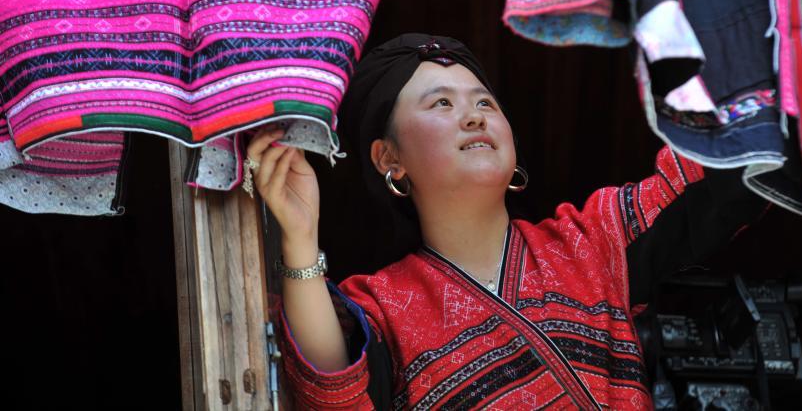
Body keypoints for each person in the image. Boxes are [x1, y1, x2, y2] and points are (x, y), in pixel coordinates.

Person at [246, 34, 706, 409]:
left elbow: (719, 174)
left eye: (485, 103)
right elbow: (334, 386)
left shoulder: (592, 241)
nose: (473, 117)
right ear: (390, 158)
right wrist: (301, 238)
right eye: (441, 104)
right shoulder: (382, 308)